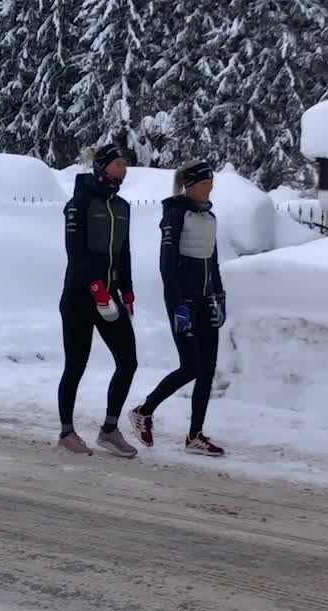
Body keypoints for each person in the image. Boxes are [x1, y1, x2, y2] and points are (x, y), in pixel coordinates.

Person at [128, 161, 226, 456]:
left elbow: (213, 261)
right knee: (191, 366)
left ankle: (195, 435)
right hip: (183, 303)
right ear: (190, 185)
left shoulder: (209, 217)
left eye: (211, 183)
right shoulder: (175, 216)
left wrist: (219, 296)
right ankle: (144, 411)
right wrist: (178, 304)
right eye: (205, 183)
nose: (210, 187)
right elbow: (166, 266)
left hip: (206, 300)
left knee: (207, 370)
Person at [55, 143, 140, 458]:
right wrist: (94, 286)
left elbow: (124, 252)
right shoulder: (79, 203)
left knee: (127, 361)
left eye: (125, 163)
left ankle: (109, 429)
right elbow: (75, 253)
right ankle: (66, 432)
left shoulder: (122, 207)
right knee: (76, 364)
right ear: (103, 167)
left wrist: (127, 290)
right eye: (118, 163)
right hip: (80, 296)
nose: (124, 168)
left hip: (110, 295)